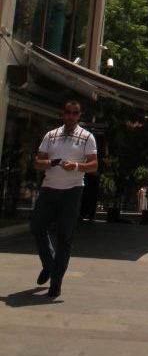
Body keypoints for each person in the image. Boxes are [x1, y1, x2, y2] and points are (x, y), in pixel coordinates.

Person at [30, 100, 98, 298]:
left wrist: (76, 166)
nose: (71, 116)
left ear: (79, 115)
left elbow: (93, 165)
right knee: (37, 227)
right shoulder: (51, 135)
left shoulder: (87, 137)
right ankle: (49, 264)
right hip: (49, 188)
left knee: (65, 237)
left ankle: (56, 282)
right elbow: (37, 162)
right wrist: (51, 163)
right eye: (68, 112)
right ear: (63, 114)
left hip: (72, 190)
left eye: (75, 113)